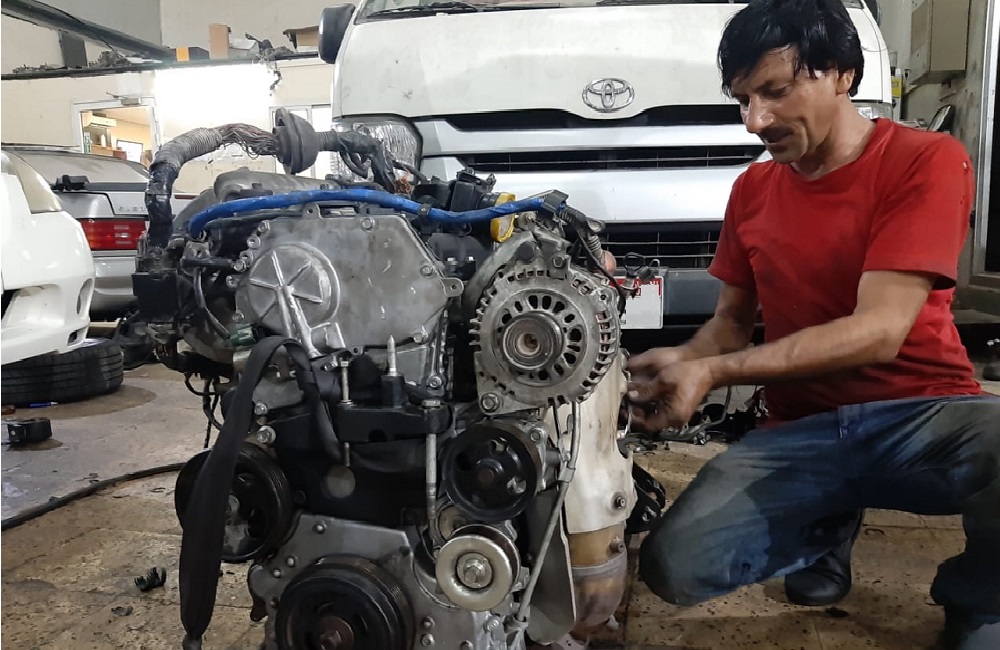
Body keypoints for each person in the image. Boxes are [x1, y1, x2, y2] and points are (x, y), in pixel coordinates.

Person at [624, 0, 1000, 648]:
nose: (755, 120)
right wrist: (683, 361)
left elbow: (880, 329)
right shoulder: (752, 191)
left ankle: (982, 599)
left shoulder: (926, 160)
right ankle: (826, 521)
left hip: (921, 416)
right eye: (742, 100)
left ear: (842, 74)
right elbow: (729, 325)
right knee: (676, 566)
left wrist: (714, 373)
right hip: (804, 430)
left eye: (774, 91)